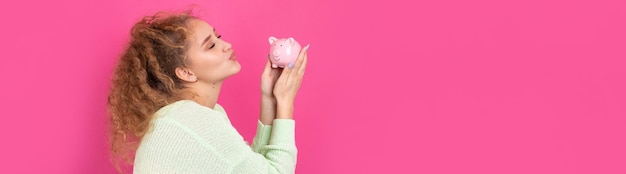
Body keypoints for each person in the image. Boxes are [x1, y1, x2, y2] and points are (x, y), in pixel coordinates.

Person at [107, 10, 309, 173]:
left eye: (218, 36)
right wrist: (285, 102)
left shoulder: (189, 116)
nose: (226, 45)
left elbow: (252, 167)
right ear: (186, 72)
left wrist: (269, 98)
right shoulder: (189, 120)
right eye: (211, 45)